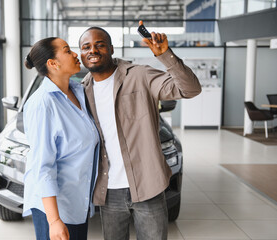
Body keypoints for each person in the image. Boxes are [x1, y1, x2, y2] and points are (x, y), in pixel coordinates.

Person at [78, 21, 201, 240]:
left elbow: (190, 89)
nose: (93, 50)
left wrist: (166, 56)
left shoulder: (139, 75)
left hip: (148, 186)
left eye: (100, 45)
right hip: (108, 190)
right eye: (86, 47)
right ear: (81, 53)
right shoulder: (82, 91)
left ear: (112, 48)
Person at [22, 37, 100, 240]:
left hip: (76, 204)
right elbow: (42, 166)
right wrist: (54, 221)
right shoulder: (43, 104)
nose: (75, 54)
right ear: (52, 63)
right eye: (67, 51)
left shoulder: (79, 92)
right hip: (56, 208)